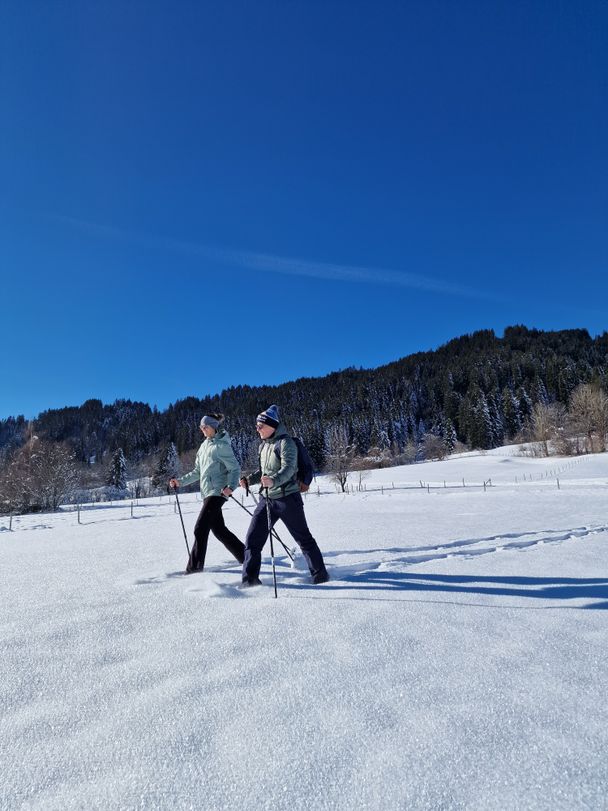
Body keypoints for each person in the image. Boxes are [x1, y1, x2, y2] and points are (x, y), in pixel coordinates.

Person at [239, 404, 329, 587]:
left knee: (303, 539)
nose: (257, 429)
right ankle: (249, 581)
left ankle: (320, 576)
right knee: (252, 539)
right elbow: (263, 471)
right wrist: (250, 479)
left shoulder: (286, 443)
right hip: (267, 500)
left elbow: (288, 469)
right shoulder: (263, 446)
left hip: (288, 499)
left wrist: (273, 480)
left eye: (260, 425)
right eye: (257, 425)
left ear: (272, 425)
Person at [169, 413, 245, 574]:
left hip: (217, 492)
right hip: (207, 492)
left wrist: (231, 487)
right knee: (219, 530)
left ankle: (194, 570)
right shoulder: (203, 447)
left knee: (200, 528)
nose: (202, 429)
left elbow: (234, 468)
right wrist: (180, 482)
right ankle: (247, 556)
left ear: (213, 427)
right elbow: (197, 471)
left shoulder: (222, 445)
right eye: (201, 427)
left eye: (205, 427)